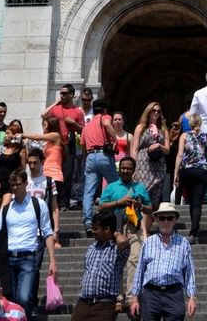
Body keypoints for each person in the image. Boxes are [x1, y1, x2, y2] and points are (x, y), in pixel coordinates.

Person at [0, 170, 57, 318]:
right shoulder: (7, 209)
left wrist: (52, 261)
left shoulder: (38, 204)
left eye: (18, 184)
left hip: (28, 258)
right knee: (11, 300)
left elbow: (47, 232)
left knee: (23, 298)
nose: (15, 188)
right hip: (9, 258)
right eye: (12, 185)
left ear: (25, 183)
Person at [130, 201, 197, 321]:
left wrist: (191, 297)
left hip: (174, 294)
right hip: (151, 294)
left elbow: (190, 272)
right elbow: (139, 270)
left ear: (175, 220)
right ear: (156, 220)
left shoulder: (183, 243)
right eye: (162, 218)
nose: (165, 221)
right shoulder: (148, 242)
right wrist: (135, 298)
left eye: (169, 218)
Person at [97, 155, 151, 300]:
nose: (126, 171)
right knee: (116, 261)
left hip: (134, 228)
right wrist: (118, 202)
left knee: (135, 260)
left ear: (134, 170)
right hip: (115, 229)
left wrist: (140, 205)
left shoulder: (140, 187)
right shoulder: (111, 187)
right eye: (123, 168)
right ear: (119, 170)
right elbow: (101, 207)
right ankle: (118, 295)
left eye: (129, 168)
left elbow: (150, 209)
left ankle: (131, 297)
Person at [72, 211, 130, 321]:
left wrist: (115, 233)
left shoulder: (117, 249)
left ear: (107, 229)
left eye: (96, 228)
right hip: (83, 303)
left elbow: (123, 242)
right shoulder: (92, 248)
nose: (93, 231)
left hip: (104, 306)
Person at [172, 111, 207, 242]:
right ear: (200, 123)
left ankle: (192, 229)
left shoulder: (184, 136)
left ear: (190, 123)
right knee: (197, 203)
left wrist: (176, 172)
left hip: (187, 171)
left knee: (191, 200)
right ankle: (194, 232)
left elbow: (180, 154)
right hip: (201, 171)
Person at [42, 85, 84, 211]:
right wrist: (55, 103)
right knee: (54, 172)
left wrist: (73, 123)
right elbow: (43, 115)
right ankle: (52, 199)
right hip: (55, 145)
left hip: (68, 145)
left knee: (68, 174)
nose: (62, 96)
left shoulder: (78, 112)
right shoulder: (56, 109)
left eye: (65, 93)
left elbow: (83, 130)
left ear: (71, 95)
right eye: (61, 93)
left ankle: (64, 202)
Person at [81, 98, 119, 234]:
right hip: (103, 155)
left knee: (88, 192)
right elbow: (108, 124)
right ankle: (120, 214)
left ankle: (88, 222)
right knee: (117, 185)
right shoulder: (104, 117)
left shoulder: (86, 127)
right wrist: (115, 140)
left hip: (90, 157)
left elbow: (83, 146)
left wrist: (87, 160)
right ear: (104, 110)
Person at [132, 102, 170, 212]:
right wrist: (133, 167)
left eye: (158, 111)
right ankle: (140, 220)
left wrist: (159, 145)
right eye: (154, 110)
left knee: (155, 197)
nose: (156, 113)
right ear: (148, 112)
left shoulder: (163, 129)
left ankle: (149, 220)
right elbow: (135, 148)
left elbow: (167, 150)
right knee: (143, 192)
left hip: (159, 164)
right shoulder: (140, 128)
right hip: (143, 163)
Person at [25, 149, 59, 248]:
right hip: (25, 226)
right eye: (30, 163)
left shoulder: (49, 181)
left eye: (35, 163)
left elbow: (54, 207)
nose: (32, 166)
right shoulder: (23, 180)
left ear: (42, 162)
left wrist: (56, 229)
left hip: (42, 227)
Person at [0, 122, 25, 191]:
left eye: (7, 133)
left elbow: (23, 168)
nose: (5, 136)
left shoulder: (21, 151)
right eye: (5, 133)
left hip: (10, 184)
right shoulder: (2, 148)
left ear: (15, 135)